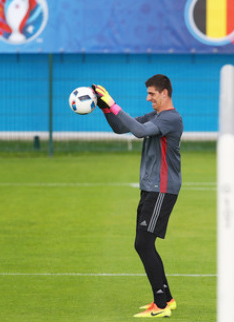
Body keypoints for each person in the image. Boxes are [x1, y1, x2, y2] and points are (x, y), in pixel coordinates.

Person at [92, 74, 183, 318]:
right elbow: (123, 128)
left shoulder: (172, 119)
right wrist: (105, 108)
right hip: (150, 189)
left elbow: (140, 132)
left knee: (143, 243)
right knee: (143, 244)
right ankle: (166, 298)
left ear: (165, 93)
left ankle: (162, 305)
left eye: (152, 93)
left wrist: (114, 104)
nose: (148, 98)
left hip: (162, 189)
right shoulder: (156, 116)